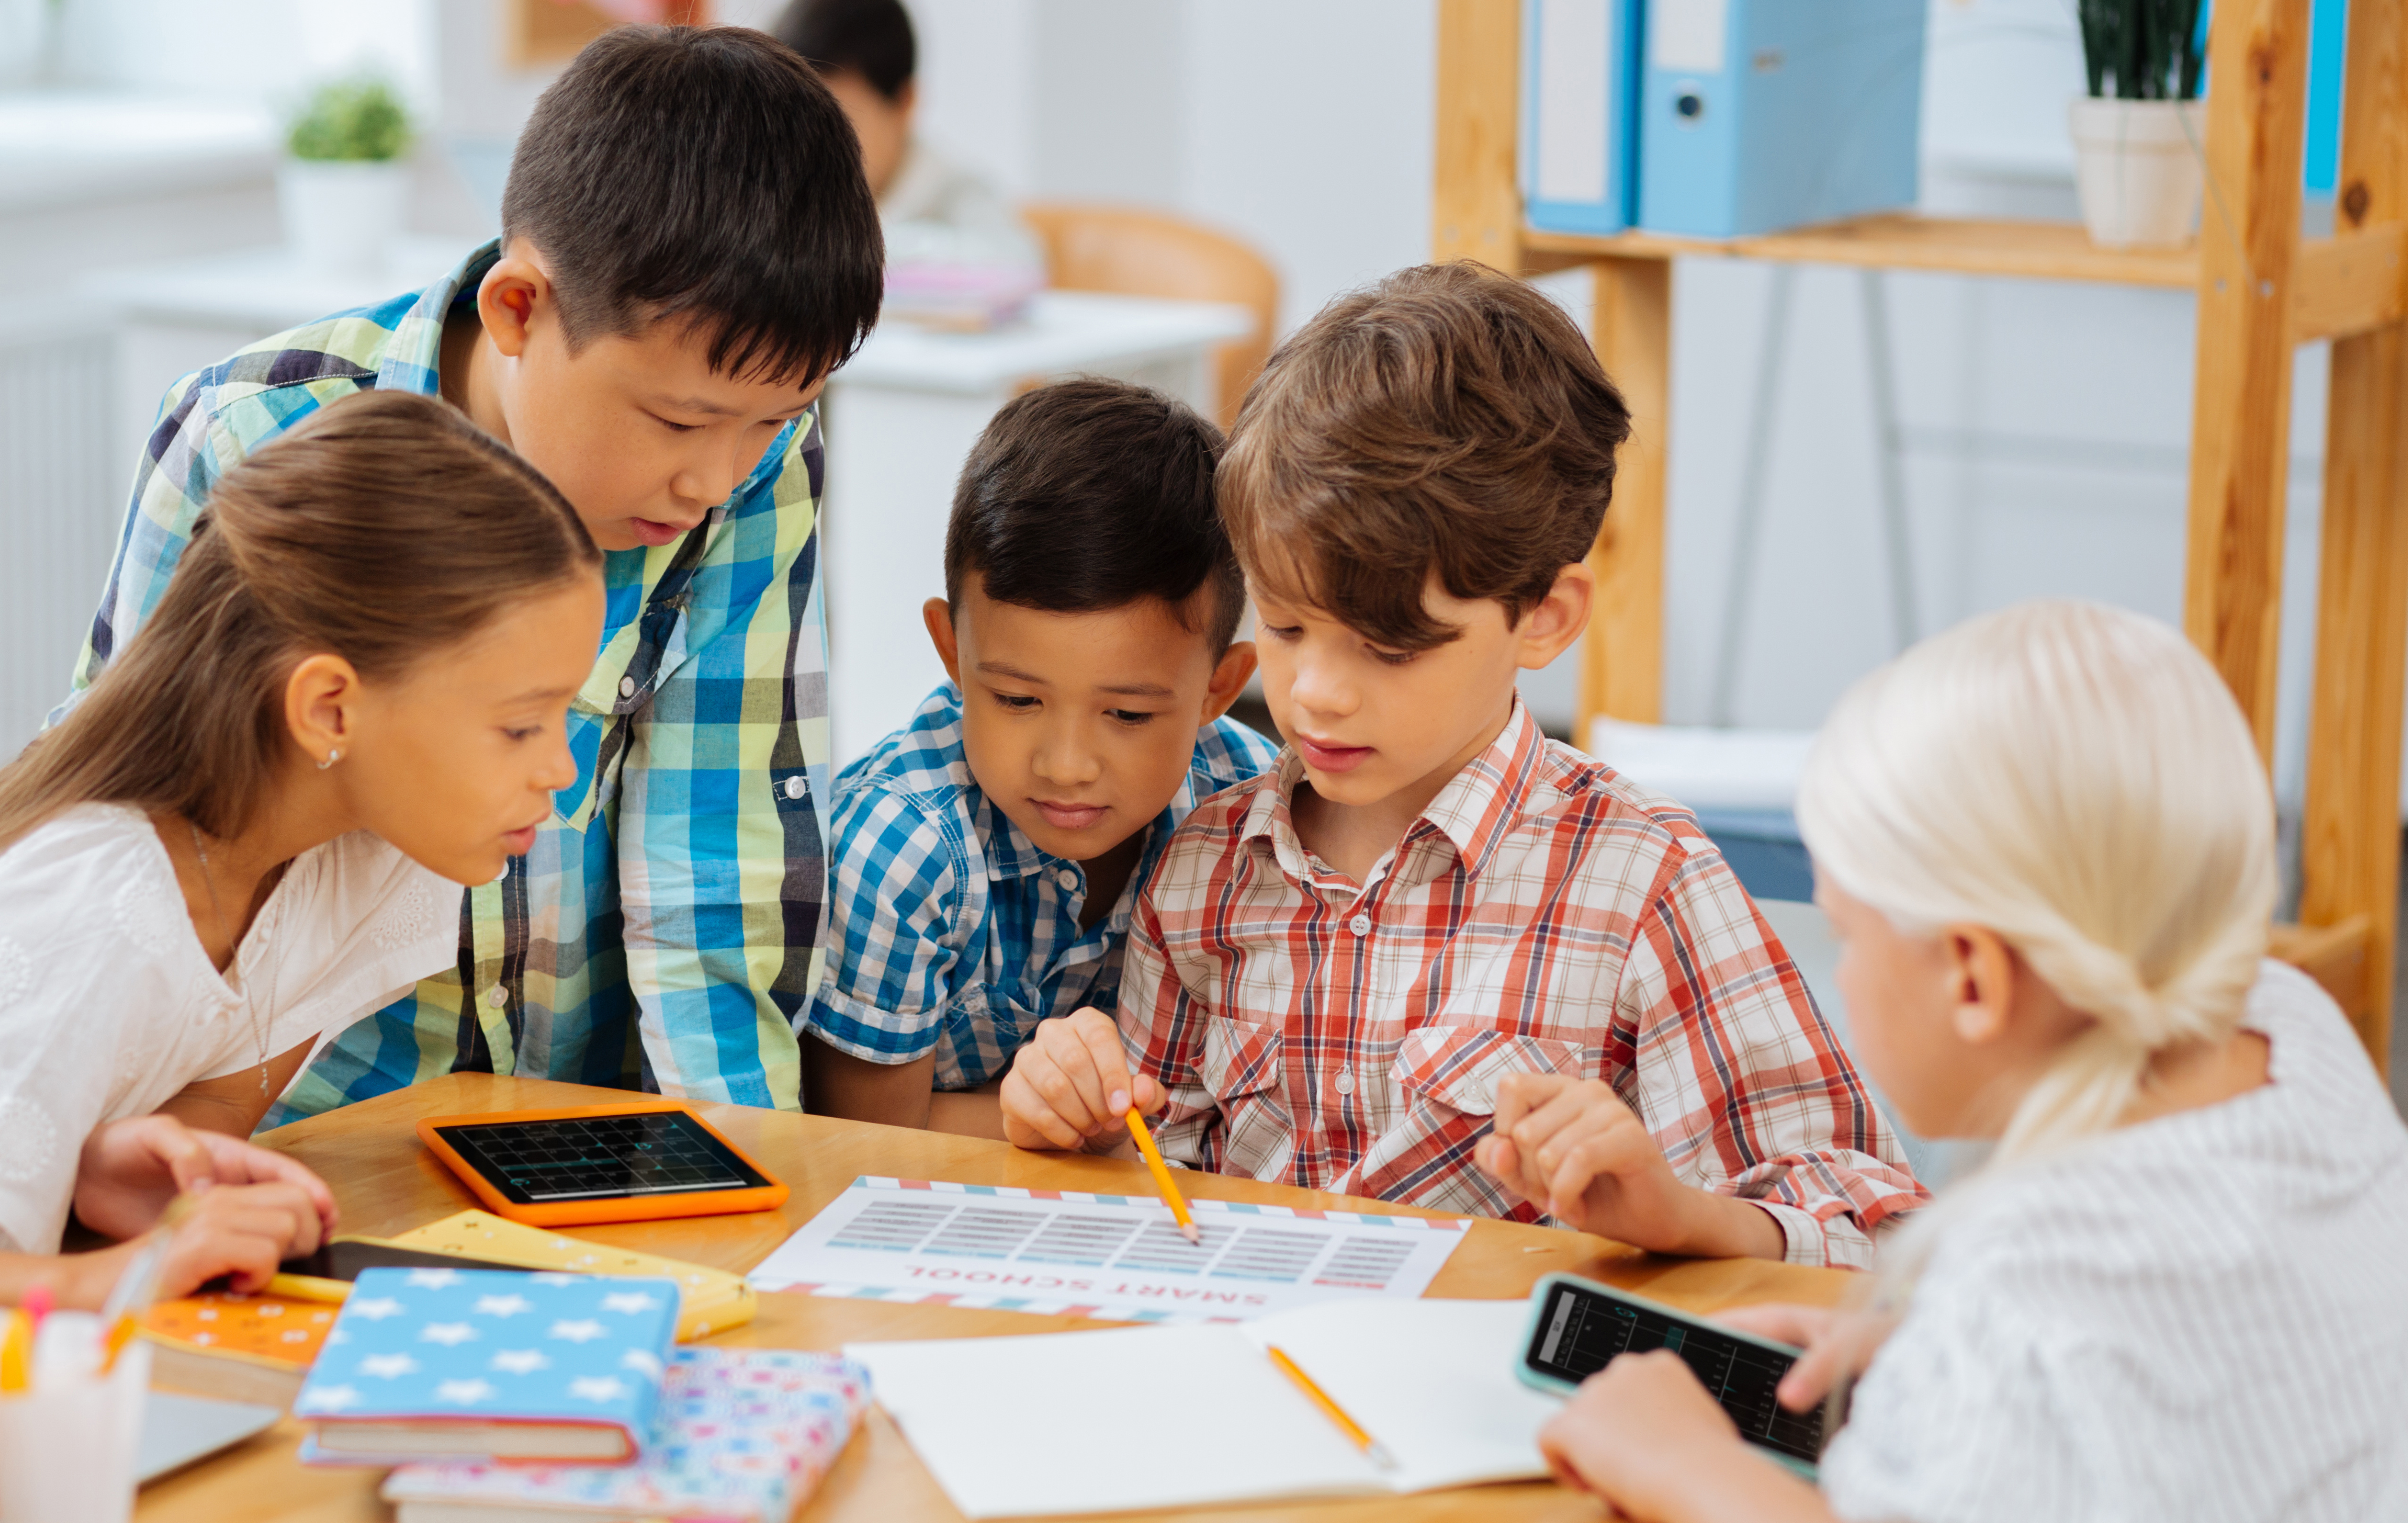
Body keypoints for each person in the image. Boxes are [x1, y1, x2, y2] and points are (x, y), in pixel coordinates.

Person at [999, 263, 1922, 1267]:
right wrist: (1075, 1117)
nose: (1316, 690)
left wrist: (1684, 1215)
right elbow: (1152, 1192)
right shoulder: (1208, 867)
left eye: (1389, 647)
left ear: (1545, 618)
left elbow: (1878, 1235)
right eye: (1290, 623)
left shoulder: (1642, 882)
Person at [65, 26, 883, 1117]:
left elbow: (714, 878)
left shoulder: (753, 469)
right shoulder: (250, 438)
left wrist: (738, 1159)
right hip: (288, 1125)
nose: (715, 480)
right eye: (680, 420)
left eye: (774, 421)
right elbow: (133, 836)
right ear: (518, 310)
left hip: (577, 1128)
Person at [1537, 601, 2408, 1521]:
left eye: (1847, 933)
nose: (1845, 967)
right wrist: (1928, 1350)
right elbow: (2218, 1338)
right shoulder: (2292, 1025)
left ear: (1973, 977)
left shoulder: (2022, 1286)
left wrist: (1680, 1462)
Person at [0, 392, 604, 1306]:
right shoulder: (89, 909)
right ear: (329, 708)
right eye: (520, 726)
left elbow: (207, 1111)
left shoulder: (366, 855)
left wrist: (104, 1163)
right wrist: (125, 1275)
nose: (562, 768)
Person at [802, 379, 1272, 1134]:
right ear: (952, 652)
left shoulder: (1252, 812)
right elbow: (865, 1136)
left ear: (1220, 688)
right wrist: (1061, 1134)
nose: (1066, 764)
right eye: (1018, 701)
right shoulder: (901, 849)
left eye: (1127, 714)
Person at [772, 0, 1041, 269]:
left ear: (904, 104)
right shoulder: (778, 189)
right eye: (802, 123)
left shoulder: (946, 189)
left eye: (843, 125)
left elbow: (1018, 263)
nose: (821, 145)